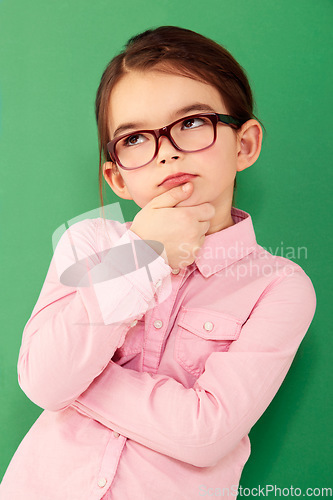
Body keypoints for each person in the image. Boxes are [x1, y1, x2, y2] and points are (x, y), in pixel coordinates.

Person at [0, 26, 316, 499]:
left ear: (244, 144)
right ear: (117, 177)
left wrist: (78, 383)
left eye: (192, 123)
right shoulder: (87, 242)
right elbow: (46, 382)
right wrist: (141, 257)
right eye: (135, 138)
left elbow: (208, 434)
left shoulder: (279, 285)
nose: (166, 151)